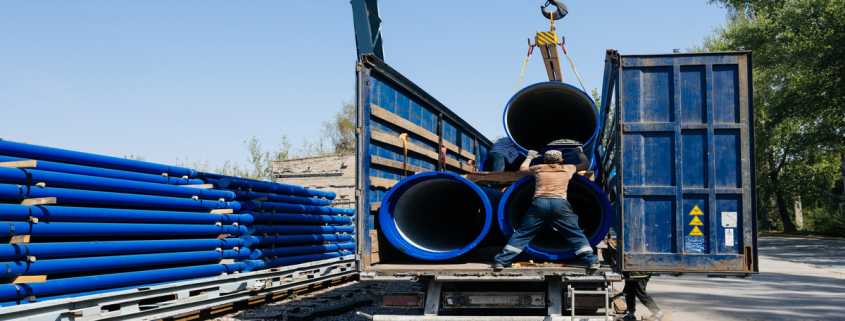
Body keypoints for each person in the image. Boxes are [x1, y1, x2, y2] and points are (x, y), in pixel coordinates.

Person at [493, 145, 598, 273]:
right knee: (574, 232)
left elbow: (522, 169)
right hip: (560, 204)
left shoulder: (539, 168)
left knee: (523, 233)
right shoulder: (567, 168)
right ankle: (591, 260)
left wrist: (530, 156)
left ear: (545, 160)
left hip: (539, 203)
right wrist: (579, 152)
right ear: (561, 160)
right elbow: (585, 164)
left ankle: (501, 261)